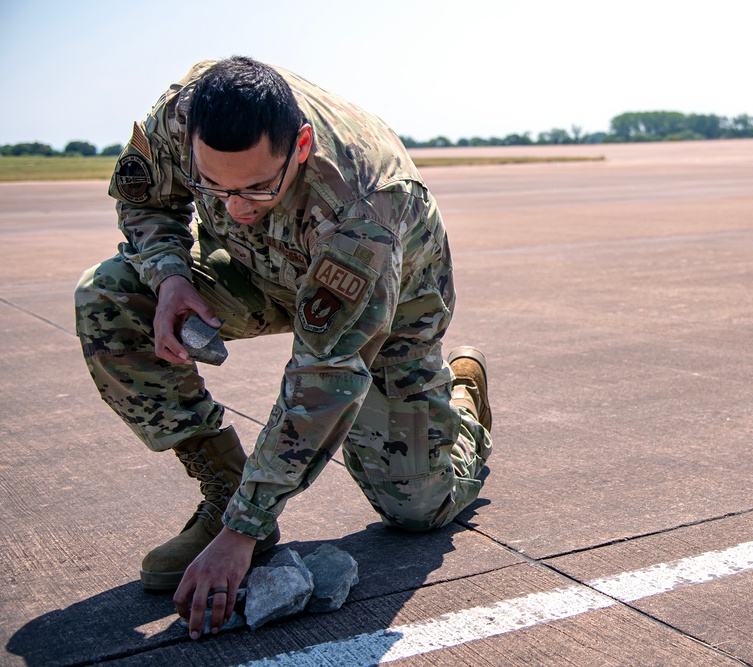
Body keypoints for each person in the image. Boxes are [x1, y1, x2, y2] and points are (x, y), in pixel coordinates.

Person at [74, 56, 493, 639]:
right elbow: (145, 201)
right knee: (110, 296)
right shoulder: (178, 117)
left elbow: (325, 375)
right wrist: (170, 278)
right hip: (257, 269)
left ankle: (461, 404)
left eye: (256, 187)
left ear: (299, 146)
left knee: (417, 510)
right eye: (212, 187)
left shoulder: (363, 204)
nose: (235, 208)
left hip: (387, 303)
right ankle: (222, 488)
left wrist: (240, 534)